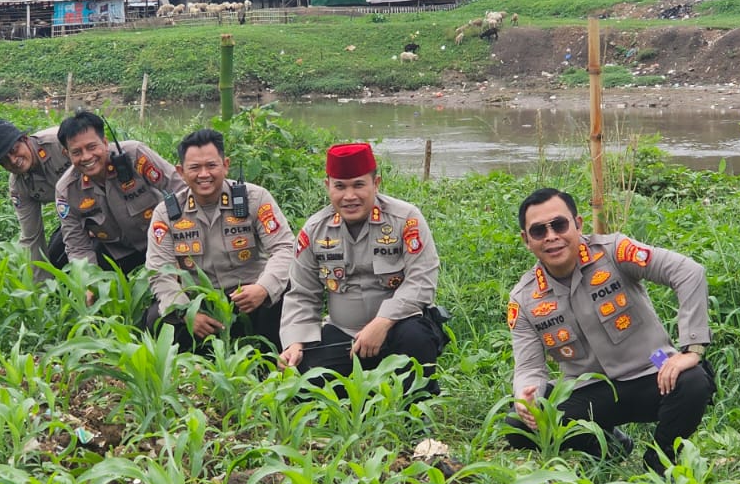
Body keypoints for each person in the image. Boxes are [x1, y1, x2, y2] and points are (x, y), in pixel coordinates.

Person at [506, 187, 714, 467]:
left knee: (694, 381)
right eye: (539, 231)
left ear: (578, 224)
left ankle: (661, 458)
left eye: (559, 225)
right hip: (588, 387)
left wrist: (691, 349)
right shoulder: (524, 299)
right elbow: (529, 367)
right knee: (519, 423)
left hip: (652, 366)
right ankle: (608, 446)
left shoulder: (614, 251)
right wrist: (525, 395)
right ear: (527, 240)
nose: (551, 236)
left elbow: (688, 272)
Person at [278, 142, 447, 385]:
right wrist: (295, 342)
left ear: (375, 184)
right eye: (340, 186)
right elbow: (302, 293)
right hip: (343, 334)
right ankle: (364, 401)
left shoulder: (405, 219)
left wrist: (382, 322)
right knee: (305, 377)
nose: (349, 196)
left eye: (358, 185)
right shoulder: (315, 230)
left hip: (397, 327)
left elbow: (421, 281)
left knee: (417, 339)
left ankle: (416, 403)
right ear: (328, 186)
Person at [144, 128, 297, 349]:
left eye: (211, 165)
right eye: (194, 168)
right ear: (180, 172)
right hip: (200, 305)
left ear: (225, 165)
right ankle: (194, 361)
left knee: (283, 293)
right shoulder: (166, 213)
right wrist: (187, 312)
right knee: (156, 318)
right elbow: (159, 270)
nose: (204, 174)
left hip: (249, 298)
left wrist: (263, 288)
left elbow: (284, 248)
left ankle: (273, 359)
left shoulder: (254, 198)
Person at [52, 109, 184, 272]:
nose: (86, 157)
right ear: (66, 154)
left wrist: (184, 244)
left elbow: (180, 190)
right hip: (118, 253)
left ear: (105, 142)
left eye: (92, 147)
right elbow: (77, 246)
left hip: (161, 240)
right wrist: (88, 280)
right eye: (77, 152)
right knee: (57, 253)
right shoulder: (66, 190)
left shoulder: (135, 155)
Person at [0, 118, 71, 281]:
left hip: (108, 202)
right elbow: (32, 237)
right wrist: (40, 288)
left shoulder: (60, 142)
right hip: (74, 216)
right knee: (56, 259)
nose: (13, 161)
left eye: (14, 150)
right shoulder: (18, 185)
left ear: (25, 139)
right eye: (5, 160)